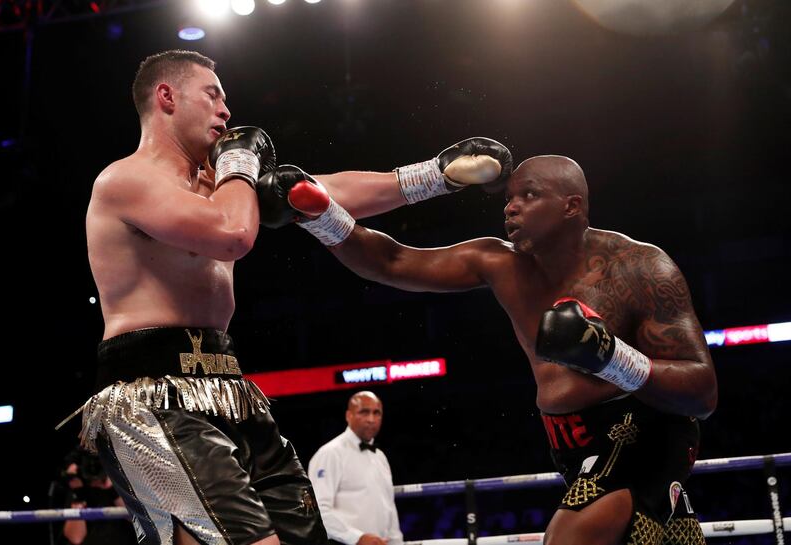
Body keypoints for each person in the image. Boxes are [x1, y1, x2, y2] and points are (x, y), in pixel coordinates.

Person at [79, 48, 512, 545]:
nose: (226, 110)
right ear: (166, 96)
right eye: (213, 95)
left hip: (229, 383)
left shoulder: (221, 185)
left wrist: (433, 176)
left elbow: (322, 191)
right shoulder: (126, 180)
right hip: (152, 392)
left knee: (304, 534)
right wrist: (240, 164)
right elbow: (231, 235)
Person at [258, 155, 718, 545]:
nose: (511, 207)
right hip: (570, 440)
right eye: (509, 198)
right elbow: (392, 261)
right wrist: (319, 215)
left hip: (643, 426)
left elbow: (702, 391)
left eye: (529, 196)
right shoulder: (500, 262)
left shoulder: (640, 268)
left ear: (571, 206)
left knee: (573, 534)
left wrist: (610, 356)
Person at [308, 392, 403, 545]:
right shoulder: (330, 454)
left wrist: (396, 542)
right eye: (364, 412)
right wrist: (356, 537)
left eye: (376, 413)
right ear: (349, 415)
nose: (371, 419)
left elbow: (389, 508)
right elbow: (318, 510)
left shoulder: (380, 457)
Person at [59, 448, 137, 545]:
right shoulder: (79, 490)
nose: (94, 471)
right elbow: (75, 538)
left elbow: (136, 521)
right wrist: (78, 495)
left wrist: (113, 489)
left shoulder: (122, 484)